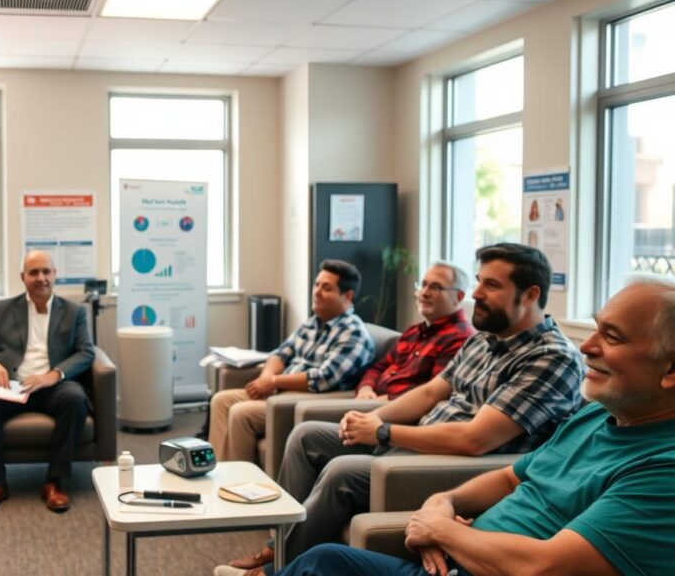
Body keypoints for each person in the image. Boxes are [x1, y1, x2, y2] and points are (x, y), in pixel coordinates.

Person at [219, 243, 585, 575]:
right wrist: (375, 417)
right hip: (418, 438)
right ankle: (280, 549)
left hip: (453, 461)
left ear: (531, 293)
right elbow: (428, 394)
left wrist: (382, 432)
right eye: (478, 282)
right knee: (308, 435)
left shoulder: (550, 357)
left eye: (491, 285)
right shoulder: (484, 341)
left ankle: (271, 569)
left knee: (342, 471)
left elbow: (476, 439)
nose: (476, 294)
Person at [275, 277, 675, 576]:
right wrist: (444, 502)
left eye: (613, 337)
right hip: (454, 561)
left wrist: (443, 531)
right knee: (322, 561)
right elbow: (510, 477)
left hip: (475, 557)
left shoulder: (662, 469)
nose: (587, 346)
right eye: (595, 327)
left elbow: (546, 566)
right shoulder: (594, 414)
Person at [0, 250, 95, 515]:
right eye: (34, 272)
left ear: (55, 275)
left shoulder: (74, 312)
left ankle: (54, 482)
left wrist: (54, 375)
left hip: (52, 386)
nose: (41, 278)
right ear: (23, 277)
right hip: (13, 385)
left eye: (46, 271)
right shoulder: (3, 309)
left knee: (76, 398)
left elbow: (86, 352)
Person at [208, 260, 375, 462]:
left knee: (240, 413)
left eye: (327, 288)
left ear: (347, 296)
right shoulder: (313, 323)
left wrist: (274, 382)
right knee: (221, 400)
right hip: (279, 391)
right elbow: (281, 353)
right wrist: (267, 376)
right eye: (317, 285)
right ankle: (217, 470)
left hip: (304, 398)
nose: (317, 292)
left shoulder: (353, 333)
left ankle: (239, 482)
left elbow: (324, 378)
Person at [355, 261, 475, 402]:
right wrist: (366, 388)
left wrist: (383, 400)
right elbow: (378, 367)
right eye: (423, 285)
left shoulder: (460, 338)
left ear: (459, 297)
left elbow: (432, 393)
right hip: (371, 401)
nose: (424, 293)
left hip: (398, 410)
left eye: (436, 287)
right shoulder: (413, 332)